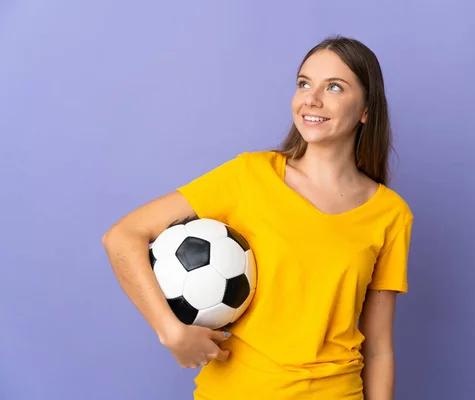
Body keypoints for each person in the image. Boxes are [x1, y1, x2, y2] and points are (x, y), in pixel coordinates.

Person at [102, 35, 414, 400]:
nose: (311, 99)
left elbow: (379, 349)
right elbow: (123, 236)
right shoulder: (249, 176)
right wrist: (171, 331)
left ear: (365, 110)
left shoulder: (390, 213)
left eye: (334, 87)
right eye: (303, 83)